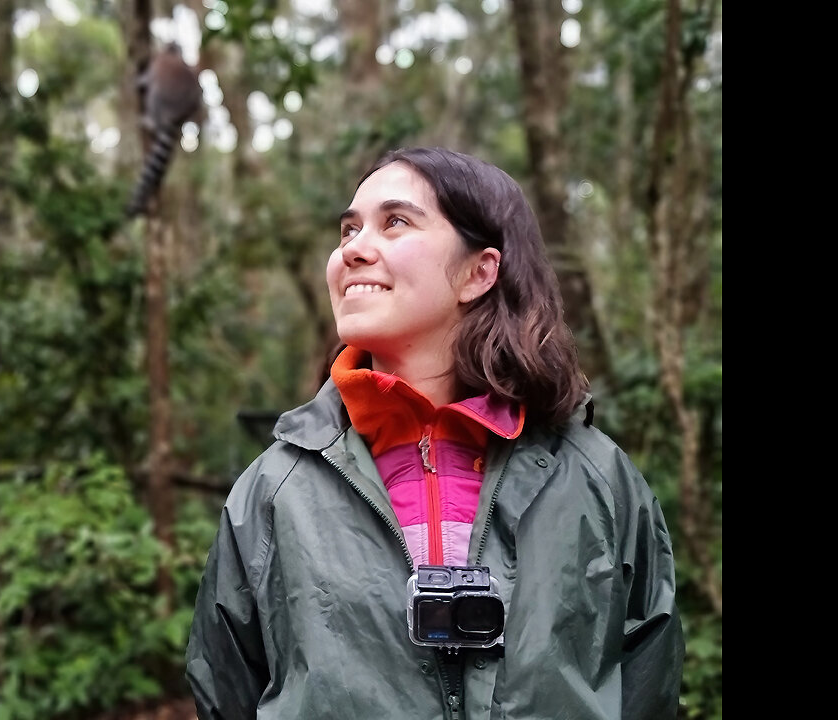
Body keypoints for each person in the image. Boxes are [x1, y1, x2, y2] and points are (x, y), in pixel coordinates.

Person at [185, 147, 684, 720]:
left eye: (394, 222)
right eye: (348, 230)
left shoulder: (596, 476)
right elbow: (226, 693)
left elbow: (648, 683)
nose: (353, 248)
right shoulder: (274, 489)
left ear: (479, 272)